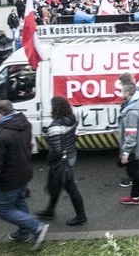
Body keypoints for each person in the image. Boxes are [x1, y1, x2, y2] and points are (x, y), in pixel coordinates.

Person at [0, 100, 49, 248]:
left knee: (4, 210)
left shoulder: (0, 136)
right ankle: (24, 233)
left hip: (9, 179)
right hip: (24, 172)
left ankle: (36, 227)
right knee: (19, 202)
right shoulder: (25, 125)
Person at [35, 97, 87, 226]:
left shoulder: (55, 127)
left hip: (60, 163)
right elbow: (74, 138)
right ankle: (50, 210)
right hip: (70, 157)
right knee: (56, 184)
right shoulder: (72, 121)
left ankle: (81, 217)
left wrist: (50, 158)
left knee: (70, 188)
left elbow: (56, 149)